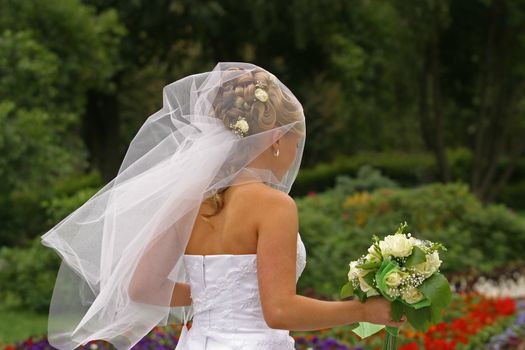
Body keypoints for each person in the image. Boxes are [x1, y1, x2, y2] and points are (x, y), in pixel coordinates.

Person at [40, 62, 404, 350]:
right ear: (276, 139)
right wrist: (364, 310)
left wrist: (210, 297)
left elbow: (141, 287)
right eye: (296, 142)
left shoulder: (188, 199)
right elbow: (279, 311)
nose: (296, 154)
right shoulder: (275, 206)